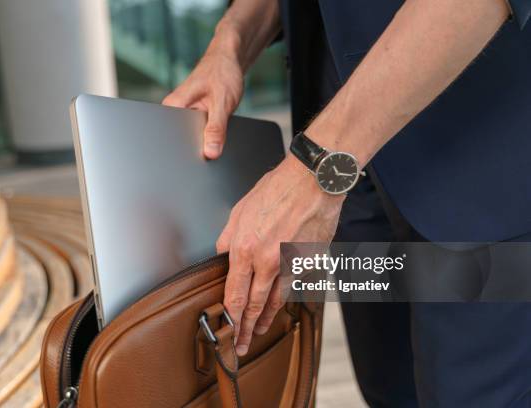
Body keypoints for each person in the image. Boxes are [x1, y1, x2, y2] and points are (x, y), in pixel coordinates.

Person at [164, 1, 531, 406]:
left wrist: (317, 168)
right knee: (389, 390)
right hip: (352, 167)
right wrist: (230, 42)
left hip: (480, 166)